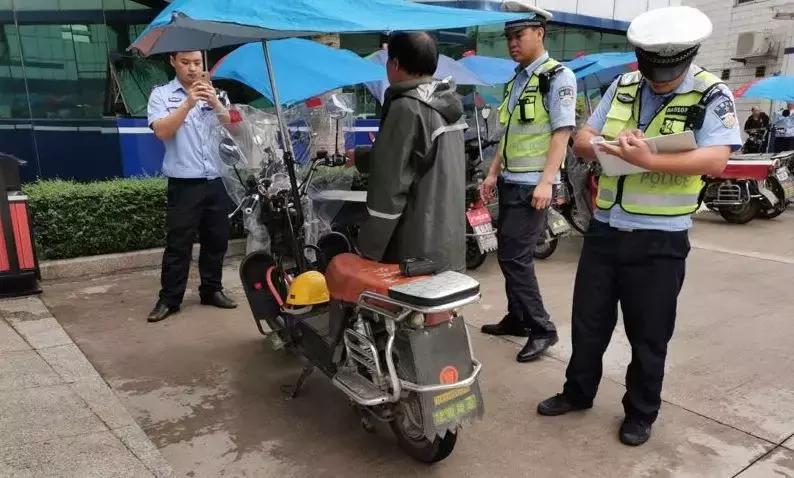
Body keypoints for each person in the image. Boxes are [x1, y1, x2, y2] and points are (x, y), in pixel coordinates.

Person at [536, 6, 741, 446]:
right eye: (653, 71)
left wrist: (649, 159)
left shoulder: (711, 93)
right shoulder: (624, 85)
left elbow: (716, 159)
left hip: (660, 239)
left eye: (669, 74)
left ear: (689, 56)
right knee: (588, 322)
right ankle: (578, 392)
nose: (659, 81)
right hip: (605, 229)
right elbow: (582, 139)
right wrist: (609, 145)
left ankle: (641, 412)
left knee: (649, 333)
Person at [478, 3, 577, 363]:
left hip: (533, 185)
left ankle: (542, 328)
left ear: (540, 33)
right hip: (510, 181)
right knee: (508, 253)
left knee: (515, 257)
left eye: (519, 35)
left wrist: (547, 182)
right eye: (508, 37)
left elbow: (562, 133)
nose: (512, 43)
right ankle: (518, 318)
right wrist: (493, 172)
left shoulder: (557, 77)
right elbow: (509, 134)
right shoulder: (518, 79)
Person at [353, 31, 466, 272]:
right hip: (448, 236)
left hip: (414, 242)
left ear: (395, 64)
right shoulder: (448, 103)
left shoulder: (407, 107)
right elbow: (424, 159)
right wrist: (361, 158)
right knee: (443, 294)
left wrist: (369, 248)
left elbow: (389, 186)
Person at [146, 50, 237, 323]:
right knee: (179, 244)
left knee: (216, 240)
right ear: (173, 61)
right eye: (185, 63)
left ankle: (212, 290)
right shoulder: (161, 95)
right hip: (184, 183)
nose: (192, 68)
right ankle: (169, 299)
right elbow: (162, 131)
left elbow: (235, 129)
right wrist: (188, 103)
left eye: (197, 63)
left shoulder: (217, 94)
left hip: (216, 180)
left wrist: (215, 102)